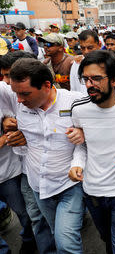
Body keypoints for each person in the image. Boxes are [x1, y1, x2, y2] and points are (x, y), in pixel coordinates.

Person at [0, 58, 85, 253]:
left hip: (69, 185)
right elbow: (24, 148)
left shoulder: (74, 102)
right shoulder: (19, 106)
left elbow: (89, 142)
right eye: (16, 94)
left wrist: (83, 137)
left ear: (47, 85)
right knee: (55, 233)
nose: (19, 100)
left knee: (66, 242)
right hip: (38, 187)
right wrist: (16, 138)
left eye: (25, 94)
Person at [69, 50, 115, 254]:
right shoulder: (79, 109)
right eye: (86, 79)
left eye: (97, 78)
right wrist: (76, 165)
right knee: (107, 239)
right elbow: (81, 145)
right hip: (93, 192)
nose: (90, 84)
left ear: (114, 80)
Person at [0, 51, 57, 254]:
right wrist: (7, 123)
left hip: (51, 172)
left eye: (11, 75)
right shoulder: (9, 92)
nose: (7, 82)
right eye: (6, 76)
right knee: (35, 215)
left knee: (43, 218)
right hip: (26, 170)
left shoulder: (57, 99)